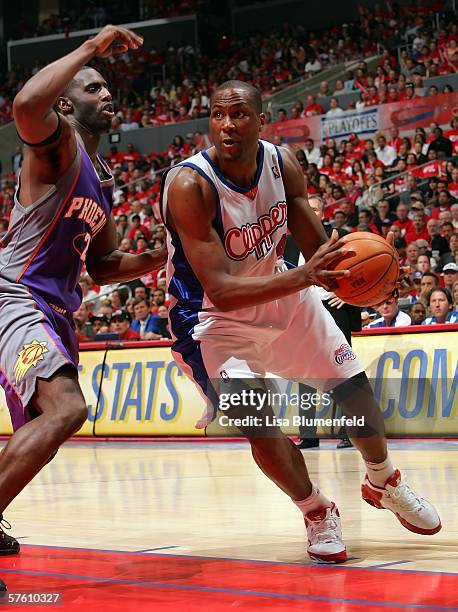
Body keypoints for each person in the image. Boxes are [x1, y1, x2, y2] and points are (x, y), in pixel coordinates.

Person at [160, 80, 441, 565]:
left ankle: (383, 481)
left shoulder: (280, 163)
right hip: (213, 317)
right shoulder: (191, 185)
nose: (228, 125)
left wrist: (359, 278)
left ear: (260, 120)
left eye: (239, 115)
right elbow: (223, 288)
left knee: (353, 388)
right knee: (258, 423)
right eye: (218, 115)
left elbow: (317, 249)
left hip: (281, 291)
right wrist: (307, 276)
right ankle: (316, 510)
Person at [0, 25, 167, 590]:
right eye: (94, 88)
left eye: (107, 89)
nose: (108, 95)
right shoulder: (57, 143)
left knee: (47, 433)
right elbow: (26, 103)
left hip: (54, 310)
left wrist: (162, 253)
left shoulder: (103, 177)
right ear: (68, 102)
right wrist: (91, 47)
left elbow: (104, 264)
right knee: (68, 409)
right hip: (16, 297)